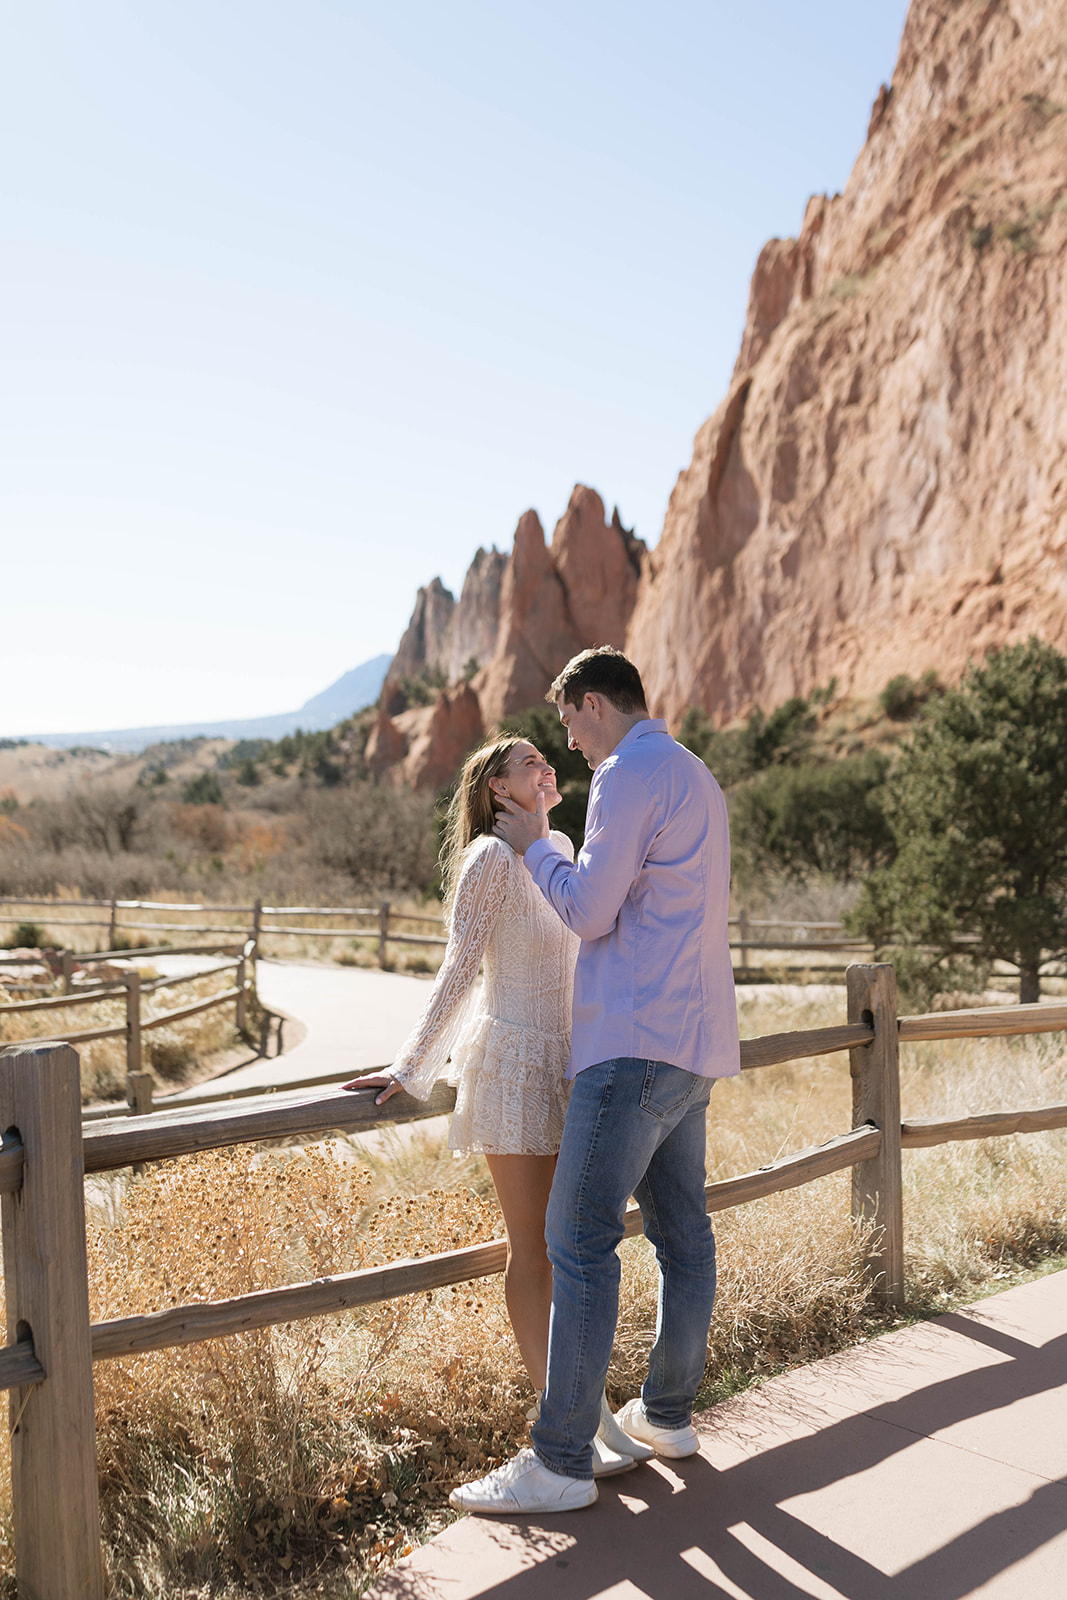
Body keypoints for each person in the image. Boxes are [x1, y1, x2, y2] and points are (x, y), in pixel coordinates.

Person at [449, 647, 740, 1515]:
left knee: (575, 1242)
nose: (568, 745)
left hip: (632, 1042)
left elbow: (586, 910)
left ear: (591, 704)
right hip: (695, 1044)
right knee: (683, 1234)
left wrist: (537, 846)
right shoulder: (695, 774)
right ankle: (666, 1414)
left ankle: (560, 1461)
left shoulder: (625, 775)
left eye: (569, 722)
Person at [342, 735, 644, 1477]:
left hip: (571, 1064)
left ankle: (586, 1407)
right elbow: (458, 969)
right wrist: (411, 1067)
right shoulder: (486, 860)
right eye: (531, 764)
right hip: (512, 1062)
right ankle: (559, 1415)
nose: (548, 769)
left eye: (547, 760)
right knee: (534, 1249)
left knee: (577, 1247)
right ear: (499, 789)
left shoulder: (563, 843)